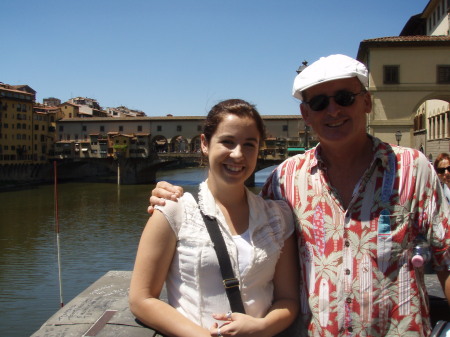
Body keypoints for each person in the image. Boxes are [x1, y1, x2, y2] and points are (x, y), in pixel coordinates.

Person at [148, 54, 450, 336]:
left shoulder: (413, 168)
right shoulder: (285, 178)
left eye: (344, 98)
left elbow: (446, 259)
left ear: (367, 102)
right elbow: (237, 213)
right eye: (318, 103)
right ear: (305, 114)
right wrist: (173, 200)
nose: (333, 110)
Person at [130, 99, 299, 337]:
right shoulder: (173, 211)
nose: (238, 154)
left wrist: (261, 327)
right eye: (227, 142)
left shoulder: (278, 217)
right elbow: (141, 299)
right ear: (205, 144)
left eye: (249, 145)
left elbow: (288, 299)